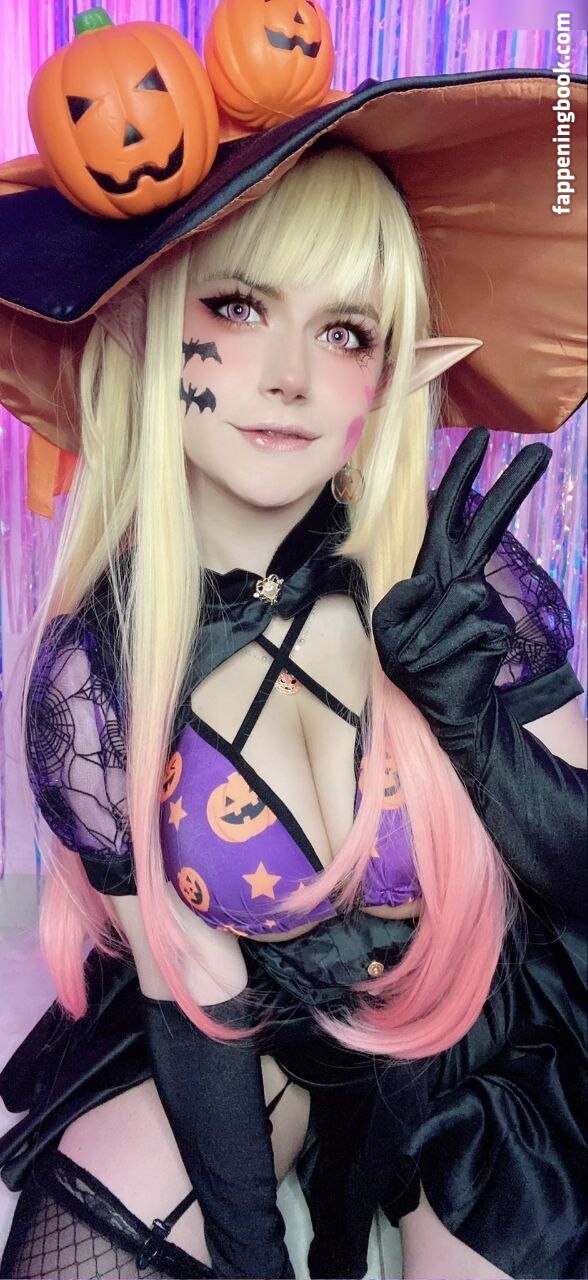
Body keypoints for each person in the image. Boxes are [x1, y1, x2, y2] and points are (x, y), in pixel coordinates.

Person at [0, 35, 586, 1280]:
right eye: (238, 305)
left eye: (346, 330)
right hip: (265, 1037)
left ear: (391, 366)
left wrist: (476, 730)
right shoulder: (93, 676)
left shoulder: (456, 576)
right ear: (152, 321)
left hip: (489, 1034)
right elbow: (193, 986)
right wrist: (252, 1257)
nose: (289, 378)